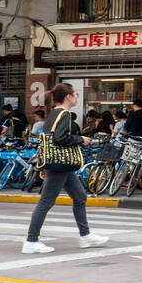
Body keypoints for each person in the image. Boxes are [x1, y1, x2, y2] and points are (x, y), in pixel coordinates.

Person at [22, 83, 108, 254]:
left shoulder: (53, 114)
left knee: (80, 197)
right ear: (68, 97)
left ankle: (85, 236)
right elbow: (60, 138)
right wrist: (80, 139)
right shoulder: (64, 115)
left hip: (60, 164)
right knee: (46, 201)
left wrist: (45, 164)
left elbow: (48, 140)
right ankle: (31, 240)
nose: (77, 97)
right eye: (75, 94)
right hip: (60, 164)